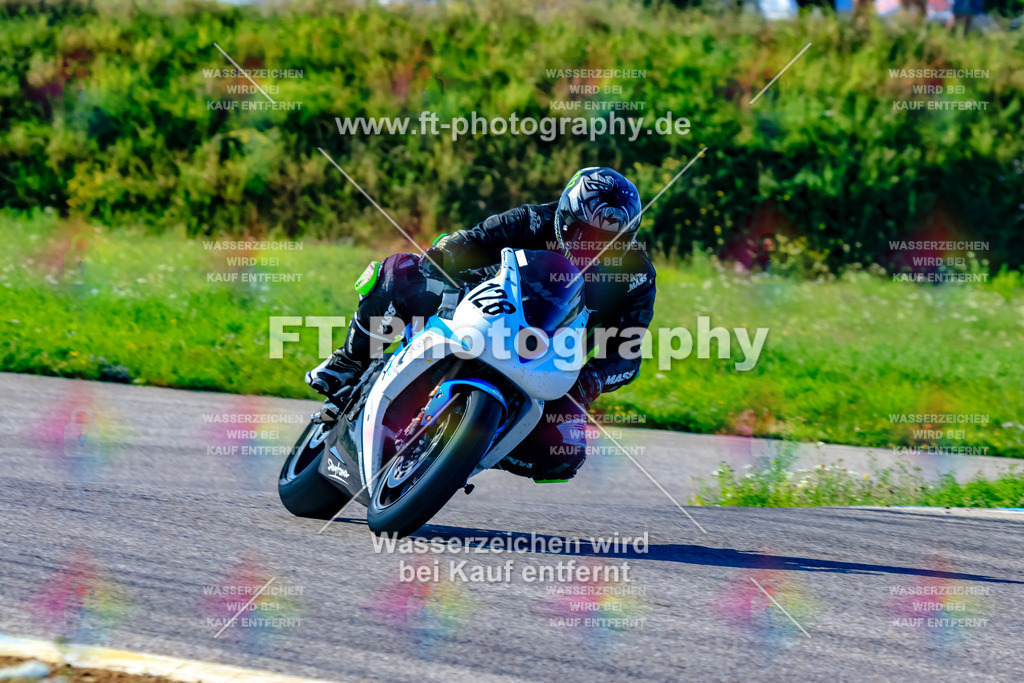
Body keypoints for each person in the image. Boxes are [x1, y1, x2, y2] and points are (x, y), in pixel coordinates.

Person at [306, 167, 657, 481]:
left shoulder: (636, 277)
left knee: (564, 452)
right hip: (481, 308)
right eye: (585, 234)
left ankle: (469, 450)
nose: (593, 248)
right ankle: (349, 362)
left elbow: (629, 352)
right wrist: (444, 256)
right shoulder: (536, 220)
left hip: (549, 359)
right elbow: (477, 239)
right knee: (400, 273)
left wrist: (590, 380)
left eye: (610, 243)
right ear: (564, 218)